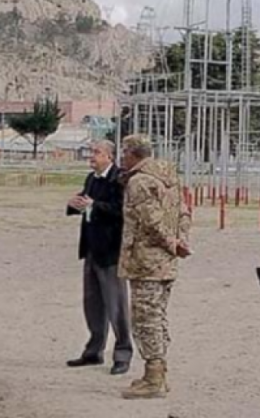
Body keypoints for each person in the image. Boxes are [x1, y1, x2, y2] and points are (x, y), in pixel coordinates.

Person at [117, 134, 190, 399]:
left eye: (124, 153)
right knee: (157, 315)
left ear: (133, 153)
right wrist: (181, 242)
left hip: (146, 261)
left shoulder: (139, 182)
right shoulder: (168, 176)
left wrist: (171, 243)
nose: (122, 158)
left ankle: (154, 377)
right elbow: (183, 212)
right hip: (165, 261)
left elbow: (152, 221)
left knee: (145, 318)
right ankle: (158, 373)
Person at [65, 140, 132, 375]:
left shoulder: (119, 179)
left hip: (111, 251)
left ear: (110, 156)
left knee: (116, 306)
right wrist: (74, 205)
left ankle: (123, 353)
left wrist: (95, 204)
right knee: (92, 304)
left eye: (97, 153)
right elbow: (86, 203)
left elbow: (121, 211)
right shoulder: (91, 178)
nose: (91, 157)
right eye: (90, 152)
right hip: (91, 248)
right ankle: (94, 351)